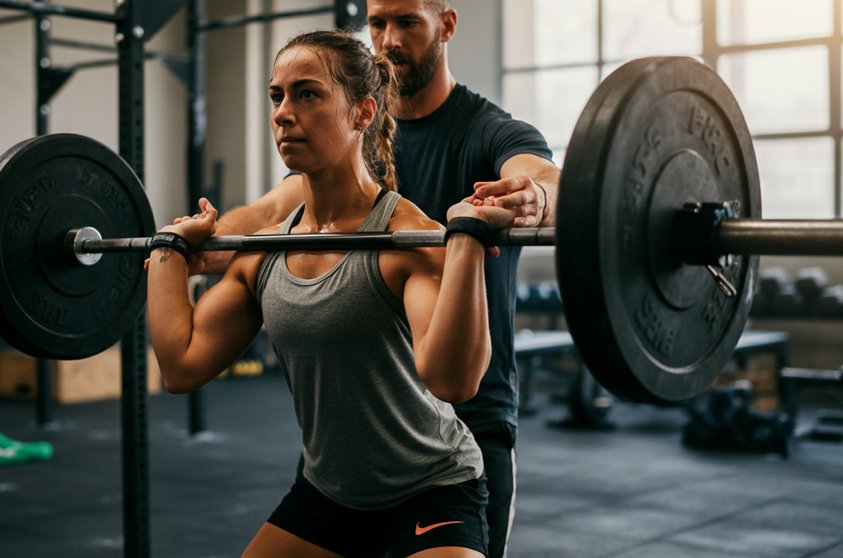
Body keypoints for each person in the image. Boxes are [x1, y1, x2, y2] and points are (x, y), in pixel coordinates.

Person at [185, 2, 561, 555]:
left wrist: (538, 197)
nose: (389, 39)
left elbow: (544, 176)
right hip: (355, 433)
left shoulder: (487, 131)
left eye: (407, 22)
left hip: (466, 414)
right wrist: (189, 243)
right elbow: (267, 213)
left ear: (446, 25)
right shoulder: (346, 138)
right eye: (378, 23)